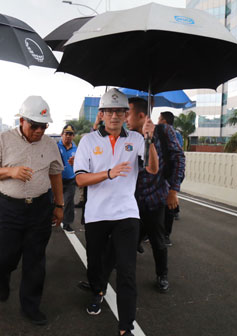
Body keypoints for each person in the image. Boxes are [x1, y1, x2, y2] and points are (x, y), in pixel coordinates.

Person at [74, 88, 158, 336]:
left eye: (119, 111)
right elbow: (80, 179)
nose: (114, 116)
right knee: (96, 266)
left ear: (126, 114)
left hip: (126, 214)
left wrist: (150, 140)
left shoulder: (136, 139)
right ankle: (98, 290)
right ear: (101, 114)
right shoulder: (88, 141)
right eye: (109, 111)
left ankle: (125, 327)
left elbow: (152, 169)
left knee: (127, 270)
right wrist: (108, 173)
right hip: (97, 214)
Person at [0, 96, 64, 326]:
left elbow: (56, 174)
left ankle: (30, 305)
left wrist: (59, 205)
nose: (39, 130)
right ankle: (3, 277)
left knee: (35, 259)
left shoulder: (49, 144)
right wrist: (11, 172)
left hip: (39, 208)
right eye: (34, 125)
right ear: (22, 120)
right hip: (9, 209)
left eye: (43, 126)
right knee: (4, 257)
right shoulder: (2, 140)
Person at [126, 98, 185, 293]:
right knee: (127, 236)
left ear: (141, 115)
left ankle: (162, 275)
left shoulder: (163, 131)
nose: (125, 118)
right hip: (131, 199)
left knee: (158, 241)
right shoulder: (127, 134)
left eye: (128, 113)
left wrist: (173, 190)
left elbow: (178, 158)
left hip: (155, 197)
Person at [158, 111, 184, 244]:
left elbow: (177, 155)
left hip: (168, 173)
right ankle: (164, 235)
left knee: (167, 203)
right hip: (172, 172)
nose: (157, 121)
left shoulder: (168, 132)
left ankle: (164, 236)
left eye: (159, 118)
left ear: (164, 121)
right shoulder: (178, 134)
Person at [57, 124, 77, 233]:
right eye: (66, 134)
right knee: (53, 200)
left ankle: (67, 223)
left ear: (73, 136)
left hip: (70, 179)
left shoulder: (76, 148)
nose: (68, 136)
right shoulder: (56, 147)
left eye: (71, 134)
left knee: (69, 202)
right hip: (57, 179)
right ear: (62, 135)